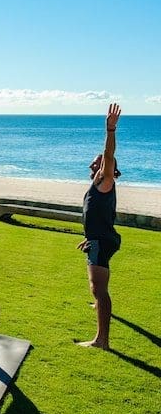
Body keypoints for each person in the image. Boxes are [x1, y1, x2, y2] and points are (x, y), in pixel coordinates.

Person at [76, 103, 122, 350]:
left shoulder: (105, 181)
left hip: (102, 241)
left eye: (98, 164)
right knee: (99, 289)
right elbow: (96, 216)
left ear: (107, 169)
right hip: (101, 239)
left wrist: (110, 130)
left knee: (98, 290)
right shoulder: (99, 187)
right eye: (94, 164)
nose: (92, 166)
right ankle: (100, 307)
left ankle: (101, 340)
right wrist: (90, 238)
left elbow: (108, 156)